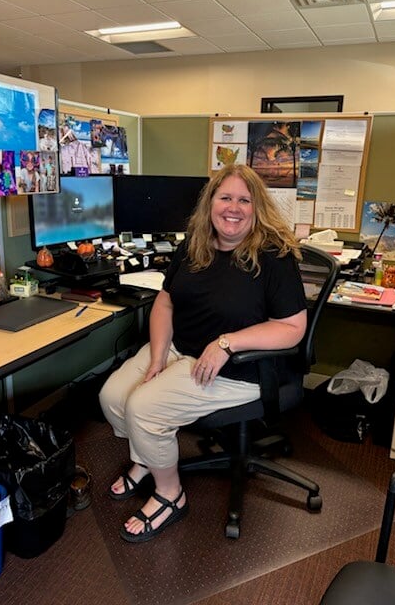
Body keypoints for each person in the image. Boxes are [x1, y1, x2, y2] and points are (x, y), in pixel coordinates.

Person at [99, 163, 307, 543]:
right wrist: (159, 356)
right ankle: (147, 459)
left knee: (144, 408)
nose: (234, 207)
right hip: (181, 348)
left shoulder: (274, 256)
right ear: (210, 203)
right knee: (112, 396)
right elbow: (165, 301)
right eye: (225, 197)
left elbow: (292, 328)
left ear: (257, 207)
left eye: (244, 200)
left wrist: (227, 342)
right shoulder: (195, 243)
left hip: (239, 369)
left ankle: (170, 494)